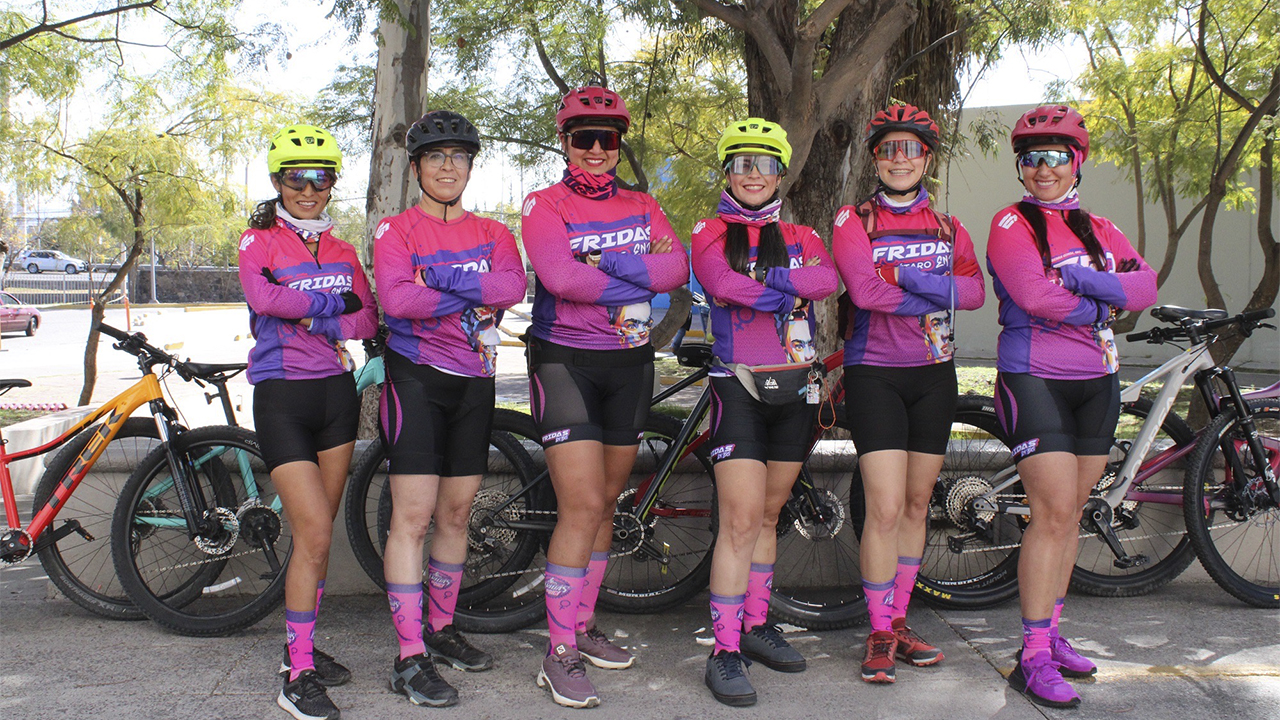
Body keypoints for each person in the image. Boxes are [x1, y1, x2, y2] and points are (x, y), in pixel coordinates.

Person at [520, 83, 689, 708]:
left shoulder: (643, 203)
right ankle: (557, 650)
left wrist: (599, 269)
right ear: (565, 143)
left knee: (609, 498)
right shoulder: (544, 202)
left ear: (618, 145)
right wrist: (628, 271)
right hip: (565, 360)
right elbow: (558, 276)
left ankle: (582, 625)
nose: (596, 149)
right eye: (583, 138)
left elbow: (679, 266)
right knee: (583, 503)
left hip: (630, 361)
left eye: (607, 139)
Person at [987, 105, 1156, 708]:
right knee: (1053, 513)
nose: (1042, 169)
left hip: (1097, 381)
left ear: (1076, 161)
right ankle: (1030, 658)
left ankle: (1050, 634)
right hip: (1034, 376)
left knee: (1073, 513)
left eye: (1056, 156)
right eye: (1031, 158)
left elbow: (1146, 288)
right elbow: (1034, 296)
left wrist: (1084, 285)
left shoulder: (1101, 228)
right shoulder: (1011, 224)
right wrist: (1102, 298)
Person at [372, 110, 528, 708]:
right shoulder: (396, 230)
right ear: (416, 168)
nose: (446, 166)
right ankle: (408, 656)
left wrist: (433, 290)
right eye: (435, 157)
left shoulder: (494, 232)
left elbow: (511, 288)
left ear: (469, 166)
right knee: (412, 519)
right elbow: (395, 298)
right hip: (415, 380)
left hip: (474, 381)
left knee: (458, 516)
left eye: (458, 157)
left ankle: (439, 629)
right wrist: (467, 288)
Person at [831, 104, 986, 685]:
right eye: (889, 148)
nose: (900, 158)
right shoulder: (854, 220)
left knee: (919, 506)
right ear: (876, 156)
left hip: (934, 376)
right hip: (875, 372)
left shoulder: (949, 227)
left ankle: (899, 619)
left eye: (911, 148)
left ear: (926, 156)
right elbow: (865, 294)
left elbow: (973, 295)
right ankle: (876, 628)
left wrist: (905, 278)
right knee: (886, 507)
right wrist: (935, 289)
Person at [691, 117, 837, 706]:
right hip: (737, 387)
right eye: (743, 163)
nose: (755, 174)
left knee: (771, 515)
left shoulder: (802, 234)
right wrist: (784, 288)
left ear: (780, 172)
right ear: (728, 171)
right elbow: (719, 282)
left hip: (796, 387)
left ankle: (755, 626)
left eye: (766, 164)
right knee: (742, 519)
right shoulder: (710, 228)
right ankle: (724, 649)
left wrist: (777, 281)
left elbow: (826, 279)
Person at [237, 123, 378, 720]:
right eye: (297, 178)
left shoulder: (344, 250)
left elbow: (368, 320)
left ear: (331, 185)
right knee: (314, 533)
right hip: (282, 397)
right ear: (278, 182)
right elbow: (265, 300)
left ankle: (302, 648)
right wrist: (332, 306)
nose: (308, 189)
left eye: (320, 179)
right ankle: (296, 676)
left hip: (336, 398)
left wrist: (315, 316)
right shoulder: (257, 240)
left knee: (315, 541)